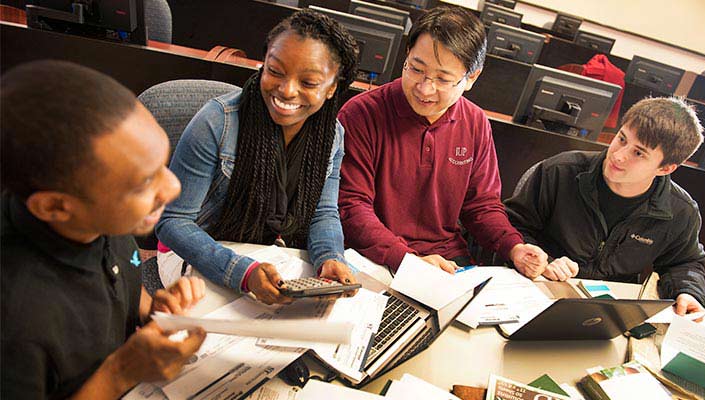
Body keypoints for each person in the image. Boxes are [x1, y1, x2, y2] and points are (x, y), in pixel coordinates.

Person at [1, 60, 207, 399]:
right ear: (55, 206)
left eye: (162, 166)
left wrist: (153, 310)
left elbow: (124, 272)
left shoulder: (104, 217)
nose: (172, 188)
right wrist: (120, 373)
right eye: (143, 182)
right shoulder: (15, 324)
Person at [156, 9, 360, 304]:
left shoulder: (332, 135)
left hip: (264, 249)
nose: (287, 90)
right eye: (275, 72)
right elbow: (173, 221)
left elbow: (322, 212)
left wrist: (329, 255)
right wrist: (241, 271)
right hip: (191, 251)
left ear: (332, 89)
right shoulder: (217, 121)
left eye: (309, 83)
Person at [338, 6, 547, 275]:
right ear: (407, 55)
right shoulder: (361, 113)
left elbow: (481, 206)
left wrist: (514, 247)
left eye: (442, 79)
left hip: (447, 259)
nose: (425, 88)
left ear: (471, 78)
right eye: (416, 69)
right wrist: (407, 259)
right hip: (375, 257)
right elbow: (351, 207)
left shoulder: (475, 122)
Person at [505, 97, 705, 316]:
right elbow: (512, 226)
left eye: (638, 153)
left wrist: (687, 291)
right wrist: (542, 260)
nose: (619, 156)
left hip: (608, 312)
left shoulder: (681, 211)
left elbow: (685, 263)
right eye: (622, 139)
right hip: (536, 291)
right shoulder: (560, 171)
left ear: (665, 168)